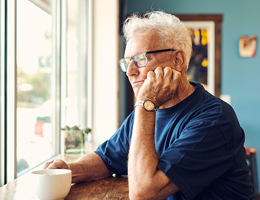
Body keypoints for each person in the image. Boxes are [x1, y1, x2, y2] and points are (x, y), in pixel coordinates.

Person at [43, 11, 254, 200]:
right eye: (126, 62)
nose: (130, 71)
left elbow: (144, 193)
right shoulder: (147, 111)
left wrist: (145, 104)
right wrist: (69, 169)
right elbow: (106, 158)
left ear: (178, 60)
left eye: (141, 59)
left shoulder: (215, 118)